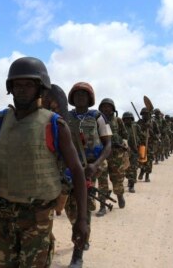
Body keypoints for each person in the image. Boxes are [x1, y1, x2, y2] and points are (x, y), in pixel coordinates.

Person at [0, 57, 88, 268]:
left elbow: (77, 171)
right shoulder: (0, 121)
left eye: (28, 85)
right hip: (3, 216)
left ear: (40, 89)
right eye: (17, 85)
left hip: (37, 218)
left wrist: (82, 221)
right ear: (10, 88)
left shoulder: (55, 124)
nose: (22, 90)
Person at [64, 82, 112, 268]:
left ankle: (78, 253)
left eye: (84, 94)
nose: (80, 97)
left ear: (90, 98)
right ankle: (82, 233)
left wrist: (96, 164)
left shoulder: (98, 117)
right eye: (77, 94)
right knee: (69, 209)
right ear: (72, 98)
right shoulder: (65, 116)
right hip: (68, 167)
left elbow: (108, 145)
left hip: (90, 167)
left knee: (82, 209)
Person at [96, 98, 129, 213]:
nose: (106, 108)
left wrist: (122, 143)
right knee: (102, 181)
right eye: (104, 106)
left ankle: (119, 195)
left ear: (113, 109)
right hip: (102, 155)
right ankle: (102, 206)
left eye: (108, 106)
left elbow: (125, 135)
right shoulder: (97, 120)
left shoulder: (118, 121)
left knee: (117, 179)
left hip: (116, 155)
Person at [121, 111, 142, 193]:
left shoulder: (136, 126)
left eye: (129, 119)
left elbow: (141, 135)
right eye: (126, 119)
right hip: (124, 150)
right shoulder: (122, 127)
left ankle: (131, 185)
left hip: (134, 150)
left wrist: (139, 144)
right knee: (126, 168)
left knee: (133, 168)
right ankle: (129, 179)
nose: (127, 120)